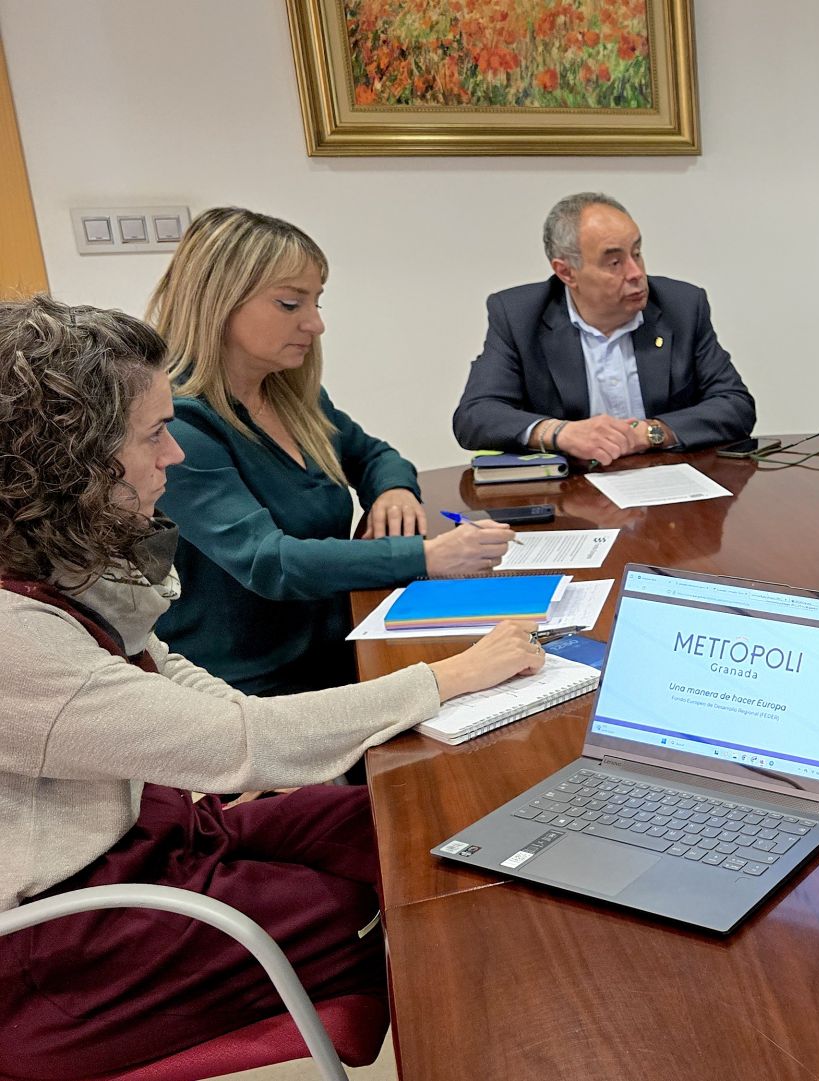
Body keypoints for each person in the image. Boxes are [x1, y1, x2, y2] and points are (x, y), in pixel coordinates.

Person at [0, 296, 545, 1078]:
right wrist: (450, 676)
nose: (175, 456)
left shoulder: (47, 553)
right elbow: (239, 745)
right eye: (155, 434)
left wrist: (248, 737)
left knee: (385, 825)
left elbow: (160, 666)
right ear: (69, 460)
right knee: (354, 916)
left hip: (146, 838)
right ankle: (486, 1041)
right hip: (61, 944)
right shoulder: (13, 637)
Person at [148, 207, 515, 695]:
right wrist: (426, 555)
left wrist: (394, 492)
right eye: (290, 304)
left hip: (338, 644)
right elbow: (269, 561)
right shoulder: (179, 428)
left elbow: (374, 455)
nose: (315, 324)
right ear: (219, 301)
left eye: (317, 302)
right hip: (250, 685)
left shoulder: (289, 396)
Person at [452, 191, 756, 461]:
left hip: (671, 490)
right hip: (572, 500)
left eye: (636, 253)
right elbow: (475, 416)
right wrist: (560, 433)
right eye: (615, 263)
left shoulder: (683, 306)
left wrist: (651, 433)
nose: (637, 273)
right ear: (567, 272)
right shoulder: (518, 316)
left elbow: (735, 405)